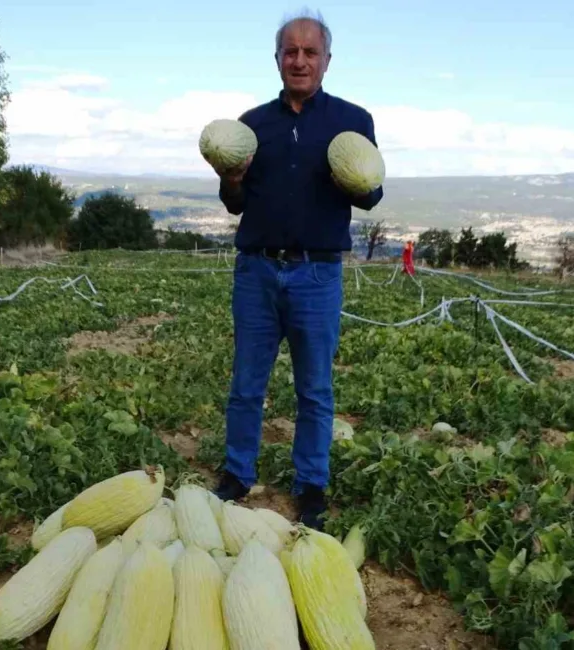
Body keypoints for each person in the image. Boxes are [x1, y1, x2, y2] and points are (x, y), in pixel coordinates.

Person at [202, 9, 384, 529]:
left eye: (310, 52)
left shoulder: (353, 121)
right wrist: (231, 177)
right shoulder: (252, 124)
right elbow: (234, 203)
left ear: (327, 60)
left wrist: (353, 183)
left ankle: (310, 485)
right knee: (246, 384)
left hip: (317, 274)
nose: (299, 60)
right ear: (278, 59)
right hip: (256, 271)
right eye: (290, 51)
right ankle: (237, 474)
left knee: (315, 389)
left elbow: (372, 193)